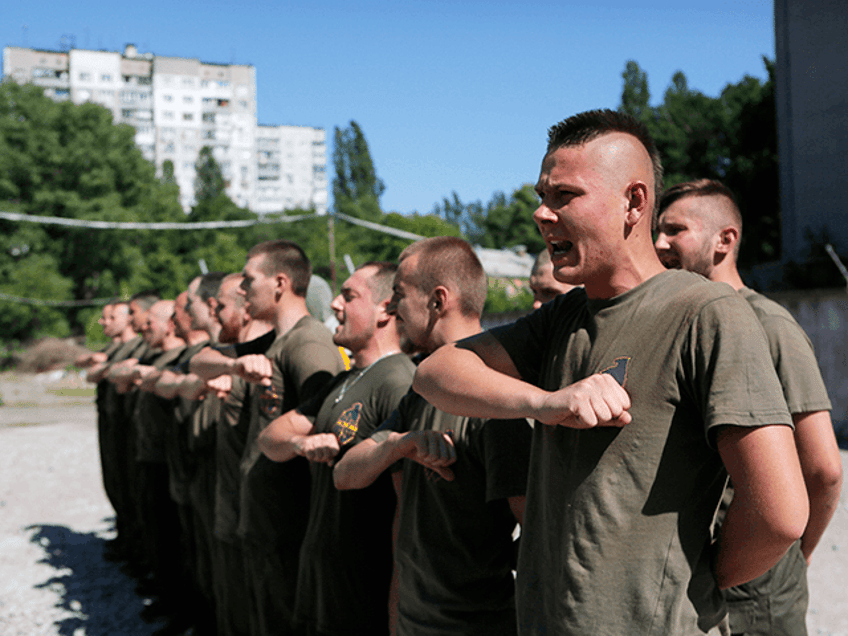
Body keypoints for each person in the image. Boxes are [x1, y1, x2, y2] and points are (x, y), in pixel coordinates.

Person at [412, 110, 809, 635]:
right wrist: (547, 403)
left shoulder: (707, 313)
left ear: (634, 202)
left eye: (564, 196)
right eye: (541, 195)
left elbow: (781, 513)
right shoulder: (562, 317)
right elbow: (436, 373)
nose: (541, 214)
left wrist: (697, 581)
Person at [655, 178, 843, 636]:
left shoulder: (769, 325)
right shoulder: (681, 322)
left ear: (726, 239)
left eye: (675, 230)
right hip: (695, 580)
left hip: (755, 595)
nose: (659, 243)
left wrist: (792, 555)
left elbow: (823, 470)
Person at [334, 237, 532, 636]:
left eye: (400, 296)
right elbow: (345, 475)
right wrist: (399, 444)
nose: (392, 309)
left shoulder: (494, 398)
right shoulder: (423, 386)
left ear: (438, 300)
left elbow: (535, 531)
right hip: (414, 618)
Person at [258, 262, 414, 636]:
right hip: (322, 579)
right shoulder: (343, 382)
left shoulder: (398, 381)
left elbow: (408, 511)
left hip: (364, 589)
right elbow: (270, 439)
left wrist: (397, 607)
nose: (334, 306)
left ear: (386, 309)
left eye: (349, 296)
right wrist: (301, 442)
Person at [216, 240, 343, 636]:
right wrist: (235, 363)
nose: (241, 290)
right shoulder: (274, 342)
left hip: (288, 526)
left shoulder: (308, 341)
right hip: (266, 523)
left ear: (280, 283)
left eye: (249, 280)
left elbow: (327, 418)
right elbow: (199, 359)